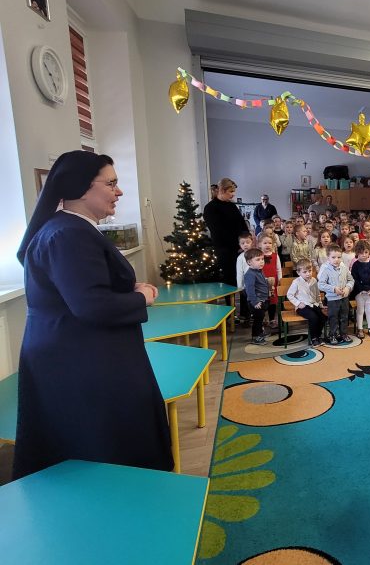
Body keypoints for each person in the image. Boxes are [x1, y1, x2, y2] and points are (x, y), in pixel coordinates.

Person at [14, 151, 172, 478]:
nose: (119, 191)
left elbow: (81, 289)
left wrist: (126, 290)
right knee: (99, 452)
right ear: (81, 188)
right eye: (111, 183)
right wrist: (141, 298)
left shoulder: (68, 228)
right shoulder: (68, 234)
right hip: (83, 362)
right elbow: (92, 306)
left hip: (79, 354)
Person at [203, 177, 248, 288]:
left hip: (240, 247)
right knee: (230, 280)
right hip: (225, 250)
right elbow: (218, 231)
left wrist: (246, 240)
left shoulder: (232, 206)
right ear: (222, 190)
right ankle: (230, 300)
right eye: (231, 191)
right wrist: (237, 245)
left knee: (243, 278)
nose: (233, 194)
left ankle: (243, 299)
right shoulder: (210, 208)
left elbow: (242, 224)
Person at [317, 244, 354, 345]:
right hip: (332, 299)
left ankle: (343, 334)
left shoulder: (344, 267)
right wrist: (333, 289)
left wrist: (347, 288)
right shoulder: (326, 269)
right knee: (333, 317)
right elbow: (320, 284)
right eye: (333, 257)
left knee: (344, 316)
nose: (336, 260)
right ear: (328, 257)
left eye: (339, 257)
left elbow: (351, 280)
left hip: (344, 297)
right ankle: (332, 335)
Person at [287, 259, 327, 347]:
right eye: (305, 272)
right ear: (298, 272)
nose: (308, 274)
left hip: (314, 304)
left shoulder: (314, 280)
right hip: (302, 306)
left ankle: (318, 335)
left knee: (323, 317)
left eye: (310, 271)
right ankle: (314, 338)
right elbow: (289, 295)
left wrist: (320, 305)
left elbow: (317, 295)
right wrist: (298, 303)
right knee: (313, 317)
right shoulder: (296, 282)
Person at [351, 241, 370, 338]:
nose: (364, 255)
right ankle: (360, 329)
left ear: (369, 253)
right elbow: (354, 279)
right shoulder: (355, 265)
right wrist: (361, 289)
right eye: (361, 253)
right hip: (360, 293)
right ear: (357, 253)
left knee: (368, 310)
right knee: (360, 310)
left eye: (366, 252)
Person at [244, 248, 270, 345]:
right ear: (249, 262)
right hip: (256, 302)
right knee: (258, 320)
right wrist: (255, 302)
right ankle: (256, 337)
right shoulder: (250, 274)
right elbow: (249, 290)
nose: (261, 261)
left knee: (261, 317)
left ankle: (260, 333)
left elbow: (260, 284)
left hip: (262, 300)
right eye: (258, 260)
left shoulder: (259, 271)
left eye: (262, 259)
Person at [235, 233, 255, 326]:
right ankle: (247, 319)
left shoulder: (256, 254)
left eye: (247, 242)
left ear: (252, 242)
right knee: (247, 302)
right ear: (240, 245)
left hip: (256, 284)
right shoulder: (240, 258)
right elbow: (239, 273)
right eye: (243, 243)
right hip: (246, 285)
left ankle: (256, 318)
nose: (245, 245)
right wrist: (240, 287)